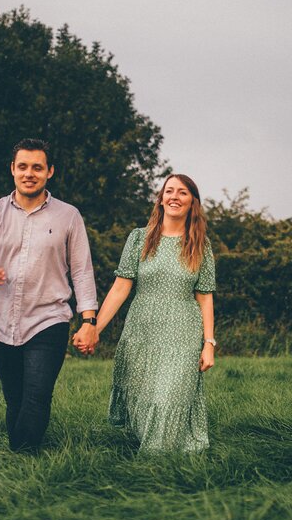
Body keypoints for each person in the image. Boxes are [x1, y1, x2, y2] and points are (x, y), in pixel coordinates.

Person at [0, 138, 98, 452]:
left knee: (37, 395)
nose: (29, 173)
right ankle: (22, 459)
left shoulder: (69, 216)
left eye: (37, 167)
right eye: (23, 166)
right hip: (2, 321)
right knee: (15, 398)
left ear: (50, 171)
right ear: (12, 169)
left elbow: (82, 271)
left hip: (49, 320)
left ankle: (21, 458)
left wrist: (88, 320)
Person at [74, 174, 216, 453]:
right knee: (146, 391)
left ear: (192, 203)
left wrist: (209, 343)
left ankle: (156, 455)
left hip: (183, 331)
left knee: (168, 395)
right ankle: (153, 442)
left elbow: (205, 296)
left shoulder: (201, 244)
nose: (174, 196)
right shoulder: (140, 238)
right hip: (143, 328)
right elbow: (119, 289)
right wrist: (94, 329)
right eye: (169, 191)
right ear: (161, 199)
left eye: (183, 192)